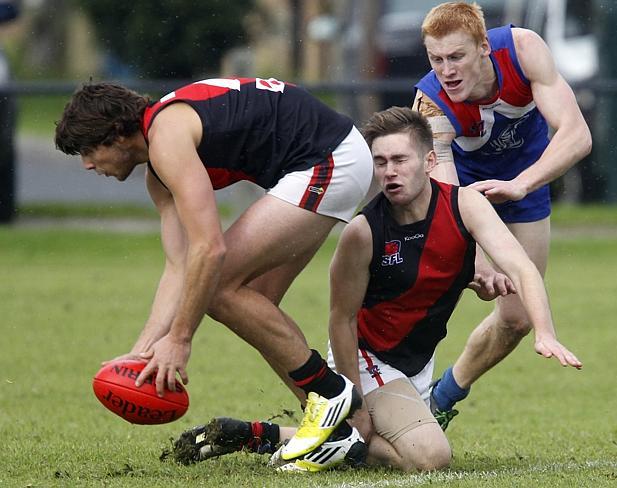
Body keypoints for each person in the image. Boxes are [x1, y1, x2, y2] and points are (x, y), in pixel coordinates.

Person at [169, 107, 582, 472]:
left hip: (417, 363)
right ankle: (316, 432)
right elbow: (341, 320)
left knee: (381, 447)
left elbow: (522, 268)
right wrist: (354, 401)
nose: (390, 171)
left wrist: (544, 331)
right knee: (429, 457)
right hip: (368, 360)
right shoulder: (364, 232)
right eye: (380, 162)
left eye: (400, 159)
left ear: (429, 161)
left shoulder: (465, 205)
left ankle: (267, 435)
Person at [54, 76, 374, 461]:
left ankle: (329, 393)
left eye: (89, 149)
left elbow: (209, 249)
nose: (88, 164)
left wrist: (180, 339)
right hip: (326, 157)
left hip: (331, 157)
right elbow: (179, 266)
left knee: (219, 289)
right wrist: (140, 352)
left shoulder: (166, 138)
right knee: (252, 303)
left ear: (119, 133)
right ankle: (338, 428)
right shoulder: (159, 170)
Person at [412, 2, 591, 420]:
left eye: (456, 56)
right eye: (436, 59)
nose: (446, 70)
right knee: (426, 296)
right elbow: (448, 194)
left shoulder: (524, 49)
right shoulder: (432, 104)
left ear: (483, 48)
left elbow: (577, 135)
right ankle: (388, 394)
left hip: (524, 180)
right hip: (464, 192)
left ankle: (442, 398)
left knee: (517, 319)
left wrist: (521, 185)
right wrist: (472, 256)